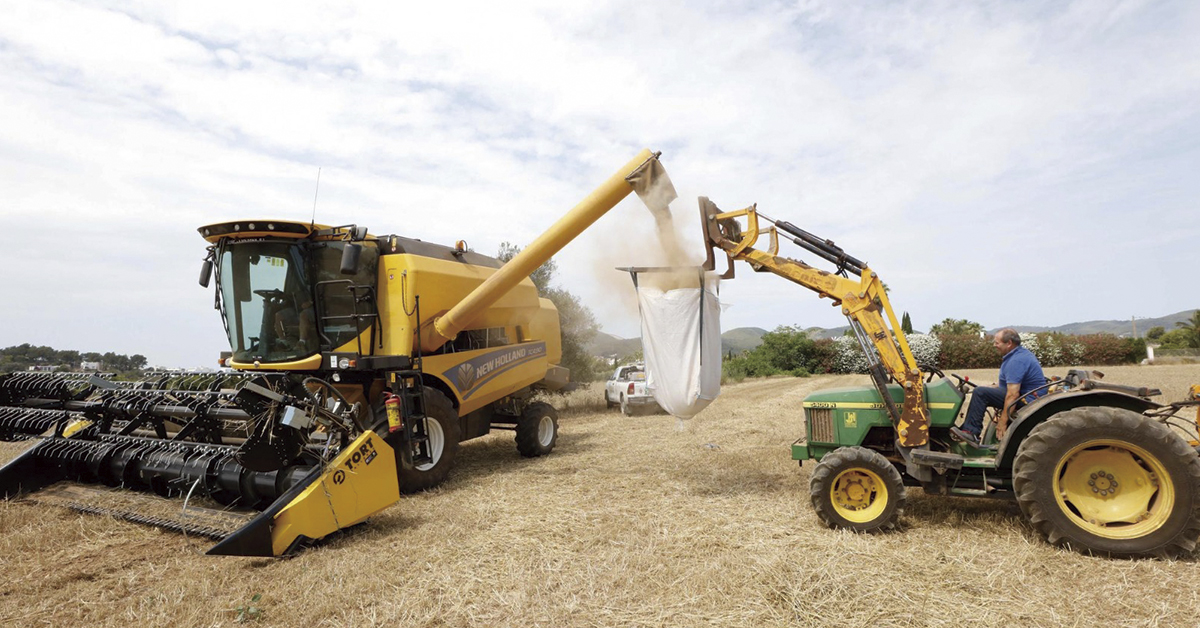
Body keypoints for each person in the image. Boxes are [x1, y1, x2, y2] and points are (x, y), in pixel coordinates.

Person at [951, 328, 1046, 446]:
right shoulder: (1016, 355)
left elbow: (1013, 394)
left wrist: (1003, 421)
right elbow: (1008, 385)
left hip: (1029, 401)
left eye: (997, 342)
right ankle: (965, 429)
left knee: (980, 393)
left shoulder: (1017, 360)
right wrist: (990, 387)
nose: (994, 345)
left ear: (1009, 343)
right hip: (1024, 395)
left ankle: (971, 433)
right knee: (981, 390)